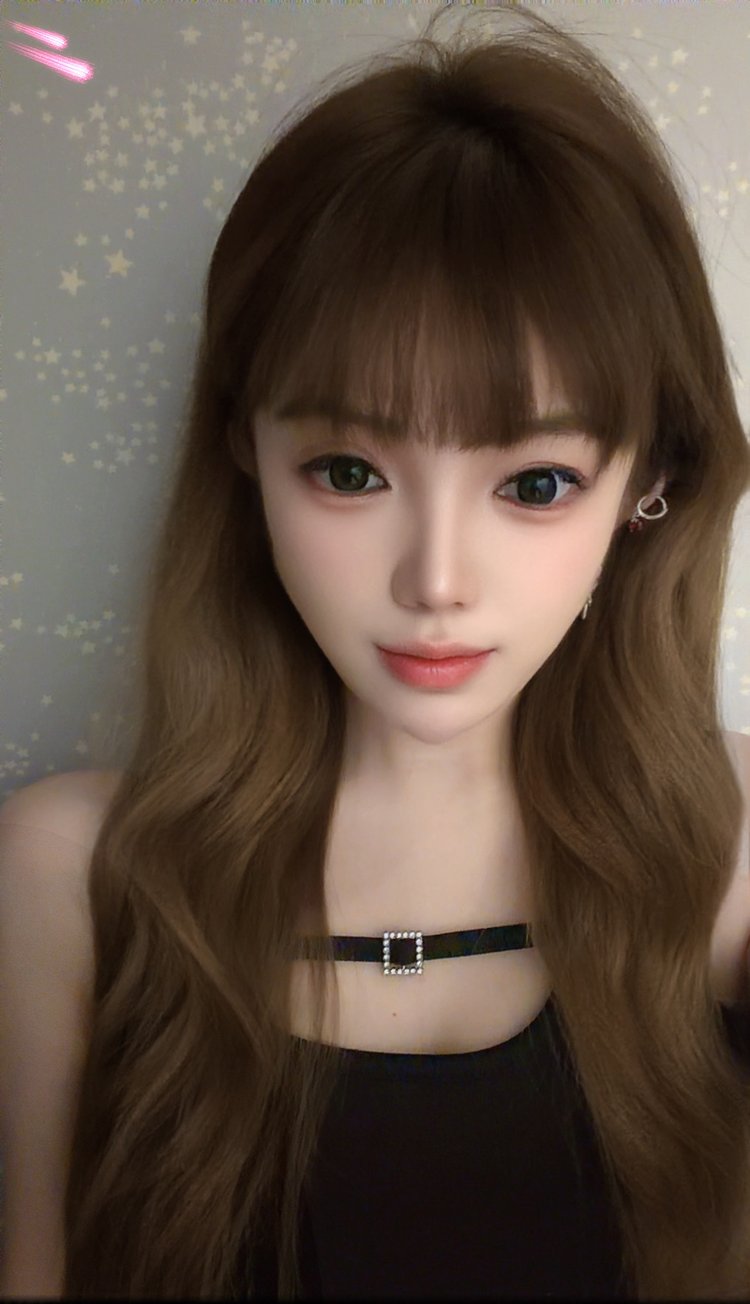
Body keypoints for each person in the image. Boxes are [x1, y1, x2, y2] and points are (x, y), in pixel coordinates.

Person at [2, 1, 750, 1298]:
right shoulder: (73, 880)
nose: (435, 582)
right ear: (244, 450)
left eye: (534, 483)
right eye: (349, 471)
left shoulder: (735, 852)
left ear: (649, 486)